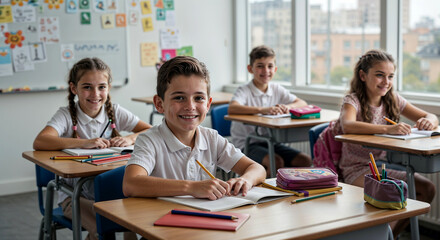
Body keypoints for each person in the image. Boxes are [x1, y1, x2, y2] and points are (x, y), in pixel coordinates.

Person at [318, 49, 437, 238]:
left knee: (426, 189)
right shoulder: (353, 100)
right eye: (380, 75)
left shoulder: (393, 100)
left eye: (390, 76)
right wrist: (387, 129)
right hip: (356, 169)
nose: (386, 82)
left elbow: (430, 115)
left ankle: (389, 235)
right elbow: (348, 125)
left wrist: (429, 120)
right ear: (363, 76)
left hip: (382, 168)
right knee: (395, 193)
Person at [33, 57, 151, 240]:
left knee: (133, 220)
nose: (95, 94)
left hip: (110, 193)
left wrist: (129, 138)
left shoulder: (115, 111)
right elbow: (41, 141)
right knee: (103, 228)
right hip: (73, 198)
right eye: (87, 87)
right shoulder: (65, 115)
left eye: (101, 87)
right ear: (74, 89)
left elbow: (150, 131)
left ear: (108, 88)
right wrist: (82, 142)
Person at [123, 56, 266, 200]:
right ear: (159, 104)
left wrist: (246, 179)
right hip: (162, 219)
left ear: (208, 104)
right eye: (179, 98)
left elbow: (257, 169)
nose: (190, 107)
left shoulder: (211, 138)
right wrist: (191, 187)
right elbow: (130, 184)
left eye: (198, 98)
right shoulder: (150, 140)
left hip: (205, 218)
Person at [228, 45, 312, 177]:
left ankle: (287, 187)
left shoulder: (276, 88)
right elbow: (232, 108)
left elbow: (302, 103)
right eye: (260, 66)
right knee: (276, 162)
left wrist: (288, 107)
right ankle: (259, 189)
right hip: (247, 144)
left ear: (275, 69)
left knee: (305, 160)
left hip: (271, 142)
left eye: (270, 66)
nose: (266, 70)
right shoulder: (244, 90)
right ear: (250, 69)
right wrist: (263, 110)